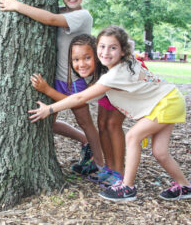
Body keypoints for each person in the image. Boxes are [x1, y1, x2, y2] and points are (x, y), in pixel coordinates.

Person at [29, 25, 191, 202]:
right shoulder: (116, 68)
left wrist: (49, 109)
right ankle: (184, 186)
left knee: (132, 136)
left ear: (122, 51)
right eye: (102, 47)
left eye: (113, 47)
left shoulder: (114, 74)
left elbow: (79, 98)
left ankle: (126, 188)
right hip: (169, 99)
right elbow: (81, 98)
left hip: (167, 103)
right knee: (160, 152)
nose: (106, 52)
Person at [0, 0, 104, 174]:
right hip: (56, 78)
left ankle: (99, 164)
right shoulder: (61, 10)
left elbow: (50, 19)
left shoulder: (83, 16)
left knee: (85, 122)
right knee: (50, 124)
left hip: (74, 81)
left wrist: (16, 5)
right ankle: (84, 142)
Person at [31, 34, 125, 187]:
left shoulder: (108, 74)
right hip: (108, 95)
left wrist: (47, 91)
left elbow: (76, 101)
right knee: (103, 126)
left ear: (97, 56)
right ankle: (107, 168)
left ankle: (119, 174)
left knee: (113, 126)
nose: (81, 64)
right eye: (76, 60)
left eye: (87, 58)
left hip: (125, 95)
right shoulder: (88, 74)